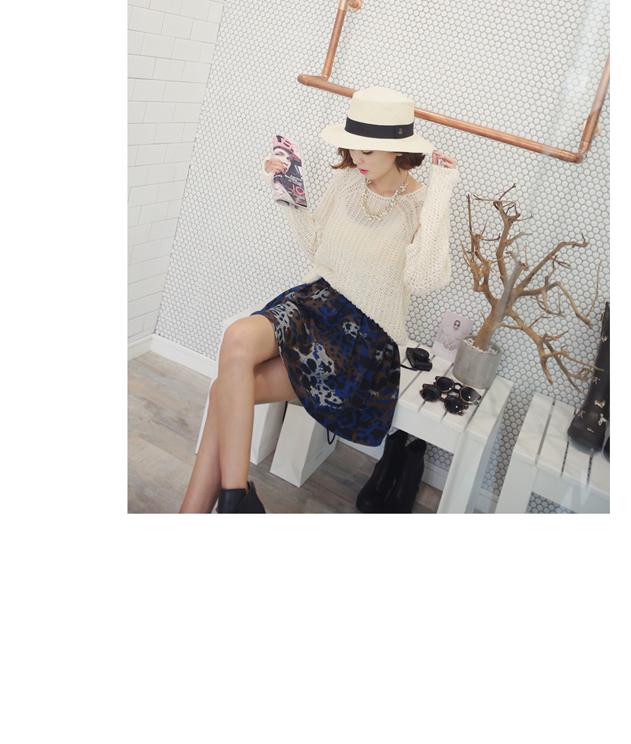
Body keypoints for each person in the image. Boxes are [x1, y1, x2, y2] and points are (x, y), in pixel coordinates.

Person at [179, 89, 459, 511]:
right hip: (314, 302)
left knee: (224, 390)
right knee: (237, 337)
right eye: (351, 146)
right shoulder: (348, 180)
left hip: (363, 336)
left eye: (367, 150)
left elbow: (422, 279)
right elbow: (317, 246)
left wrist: (440, 194)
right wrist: (285, 193)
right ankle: (236, 498)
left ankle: (211, 511)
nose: (356, 158)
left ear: (398, 149)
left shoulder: (423, 202)